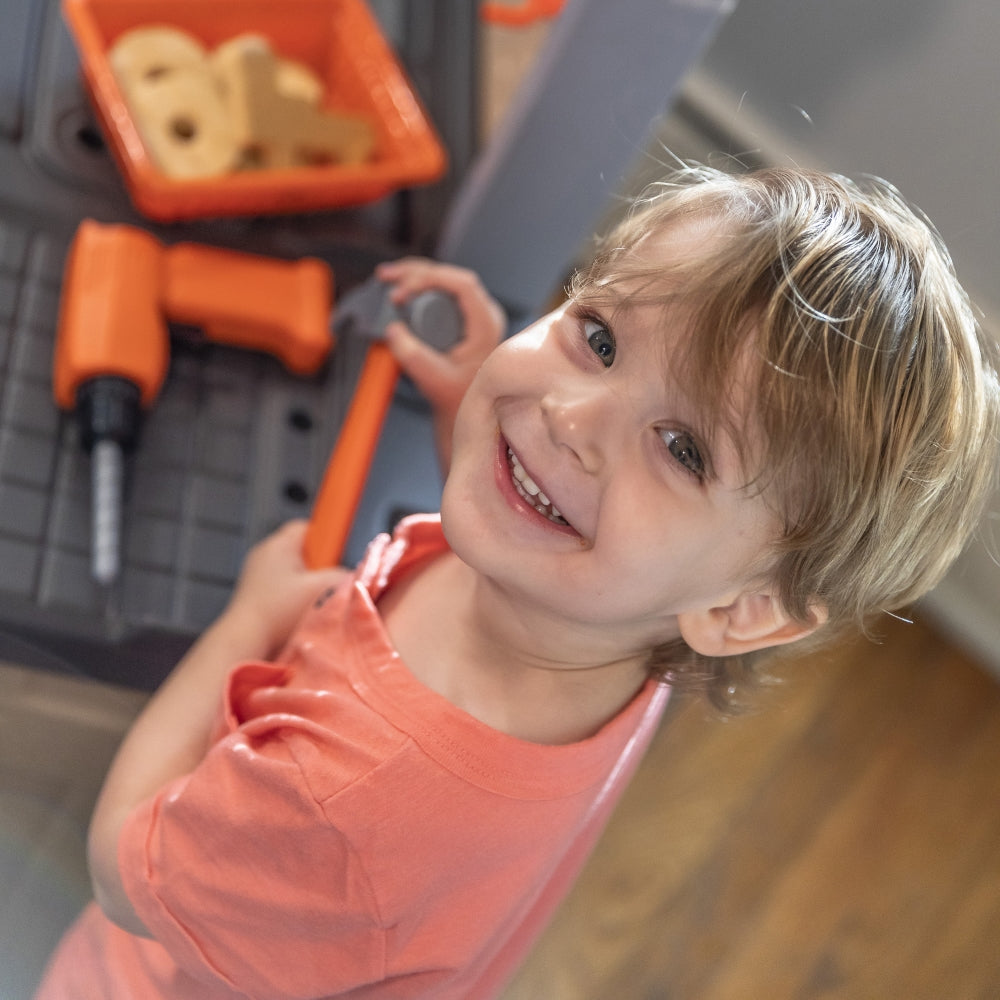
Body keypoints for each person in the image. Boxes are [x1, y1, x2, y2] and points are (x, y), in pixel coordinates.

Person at [35, 166, 1000, 999]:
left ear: (743, 612)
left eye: (682, 449)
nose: (570, 415)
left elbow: (123, 865)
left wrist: (244, 622)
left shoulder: (343, 802)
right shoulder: (627, 619)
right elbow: (591, 473)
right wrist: (477, 403)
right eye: (600, 338)